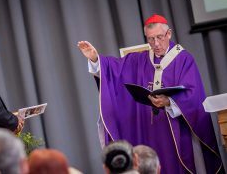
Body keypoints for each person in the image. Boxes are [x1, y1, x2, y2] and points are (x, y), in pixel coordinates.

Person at [77, 14, 223, 173]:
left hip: (176, 132)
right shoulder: (140, 60)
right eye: (151, 39)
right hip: (149, 130)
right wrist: (95, 59)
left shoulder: (183, 59)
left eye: (159, 37)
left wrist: (169, 102)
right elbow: (113, 70)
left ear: (169, 34)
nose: (156, 43)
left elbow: (194, 95)